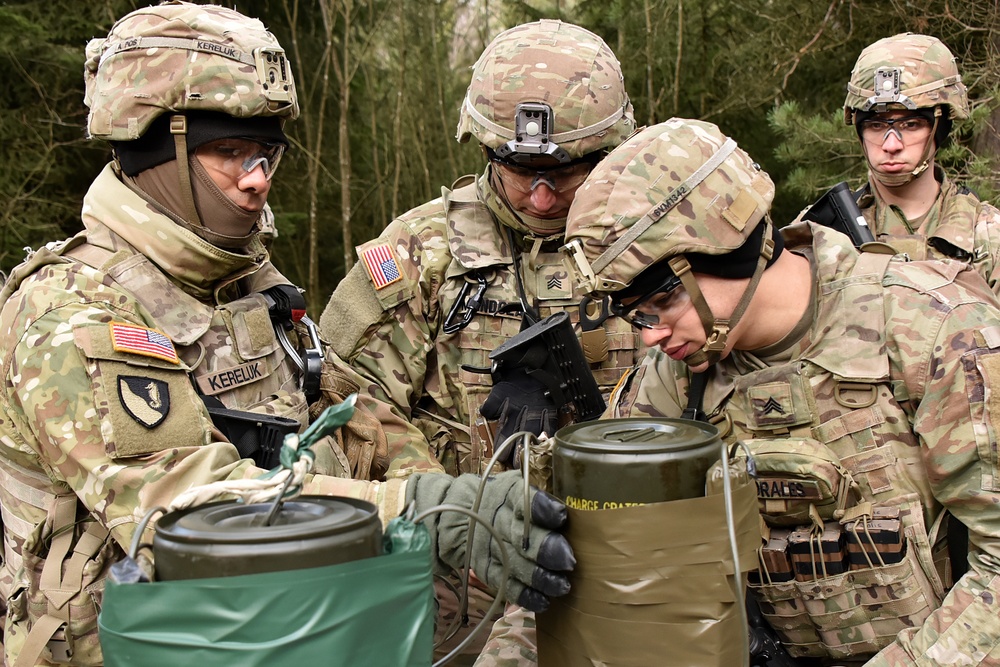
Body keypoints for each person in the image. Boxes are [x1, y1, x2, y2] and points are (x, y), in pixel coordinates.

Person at [0, 4, 573, 665]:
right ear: (157, 150)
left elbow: (349, 414)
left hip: (279, 631)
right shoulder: (72, 312)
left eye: (267, 152)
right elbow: (189, 512)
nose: (257, 179)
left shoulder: (248, 284)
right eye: (229, 153)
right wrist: (421, 506)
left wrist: (454, 500)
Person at [544, 117, 1000, 665]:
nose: (650, 335)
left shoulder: (932, 333)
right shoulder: (675, 378)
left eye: (662, 304)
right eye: (632, 315)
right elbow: (617, 561)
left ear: (725, 251)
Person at [318, 19, 641, 481]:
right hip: (470, 534)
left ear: (610, 151)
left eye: (566, 174)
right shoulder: (421, 251)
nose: (542, 198)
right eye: (520, 171)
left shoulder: (653, 239)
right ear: (487, 150)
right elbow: (348, 398)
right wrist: (448, 503)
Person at [839, 32, 1000, 292]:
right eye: (876, 125)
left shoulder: (989, 238)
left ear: (940, 128)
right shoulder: (825, 231)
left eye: (911, 124)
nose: (891, 145)